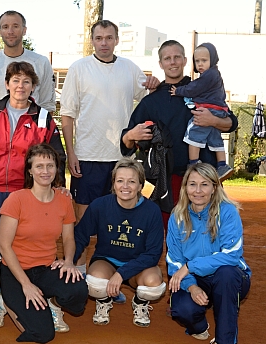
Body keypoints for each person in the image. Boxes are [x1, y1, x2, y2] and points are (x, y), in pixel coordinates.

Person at [60, 20, 159, 298]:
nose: (104, 42)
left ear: (117, 40)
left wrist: (154, 83)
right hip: (88, 158)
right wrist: (71, 152)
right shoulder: (79, 69)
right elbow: (67, 114)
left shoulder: (129, 68)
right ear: (92, 40)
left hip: (122, 161)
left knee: (118, 225)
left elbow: (150, 93)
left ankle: (117, 278)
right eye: (99, 38)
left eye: (109, 37)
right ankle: (78, 284)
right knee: (84, 228)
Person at [0, 61, 66, 327]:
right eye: (15, 80)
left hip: (26, 193)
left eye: (26, 81)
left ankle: (14, 292)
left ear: (33, 86)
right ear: (7, 84)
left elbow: (56, 156)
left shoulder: (43, 118)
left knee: (22, 245)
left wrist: (55, 186)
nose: (20, 86)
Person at [120, 40, 238, 229]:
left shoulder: (204, 88)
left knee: (209, 233)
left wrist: (213, 120)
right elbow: (126, 140)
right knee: (173, 235)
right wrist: (130, 135)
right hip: (170, 180)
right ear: (161, 64)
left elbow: (232, 122)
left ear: (184, 61)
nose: (173, 62)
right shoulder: (152, 101)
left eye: (177, 57)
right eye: (167, 58)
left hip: (204, 177)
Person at [0, 144, 88, 343]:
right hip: (16, 271)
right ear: (30, 170)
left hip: (46, 267)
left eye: (50, 165)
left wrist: (68, 261)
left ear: (56, 168)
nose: (45, 171)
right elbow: (4, 246)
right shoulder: (16, 200)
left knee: (78, 292)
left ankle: (50, 301)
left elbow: (69, 239)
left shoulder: (64, 199)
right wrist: (26, 284)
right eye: (39, 166)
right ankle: (2, 298)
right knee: (43, 334)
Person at [166, 163, 251, 344]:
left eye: (204, 184)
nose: (197, 191)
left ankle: (224, 342)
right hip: (196, 279)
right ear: (185, 187)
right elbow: (174, 260)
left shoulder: (228, 212)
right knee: (181, 309)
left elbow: (231, 254)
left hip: (228, 277)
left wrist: (190, 266)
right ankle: (199, 326)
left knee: (226, 274)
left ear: (214, 187)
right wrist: (192, 287)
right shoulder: (177, 216)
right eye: (192, 184)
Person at [74, 158, 166, 327]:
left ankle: (140, 302)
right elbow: (80, 236)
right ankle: (103, 300)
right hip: (107, 260)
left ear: (140, 186)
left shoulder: (151, 211)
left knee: (153, 285)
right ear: (114, 184)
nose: (125, 186)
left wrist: (122, 273)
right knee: (94, 283)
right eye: (120, 181)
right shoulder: (100, 205)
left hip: (138, 266)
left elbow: (153, 253)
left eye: (132, 182)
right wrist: (67, 262)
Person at [0, 10, 55, 119]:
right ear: (0, 31)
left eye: (15, 26)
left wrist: (39, 131)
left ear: (24, 30)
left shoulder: (41, 63)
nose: (10, 31)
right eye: (5, 27)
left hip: (32, 132)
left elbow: (47, 105)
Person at [170, 42, 233, 180]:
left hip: (210, 109)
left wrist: (179, 90)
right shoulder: (213, 75)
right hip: (219, 109)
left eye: (204, 60)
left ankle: (192, 164)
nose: (200, 64)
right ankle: (222, 165)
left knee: (193, 133)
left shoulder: (209, 75)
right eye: (197, 61)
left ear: (213, 60)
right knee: (214, 138)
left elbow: (194, 88)